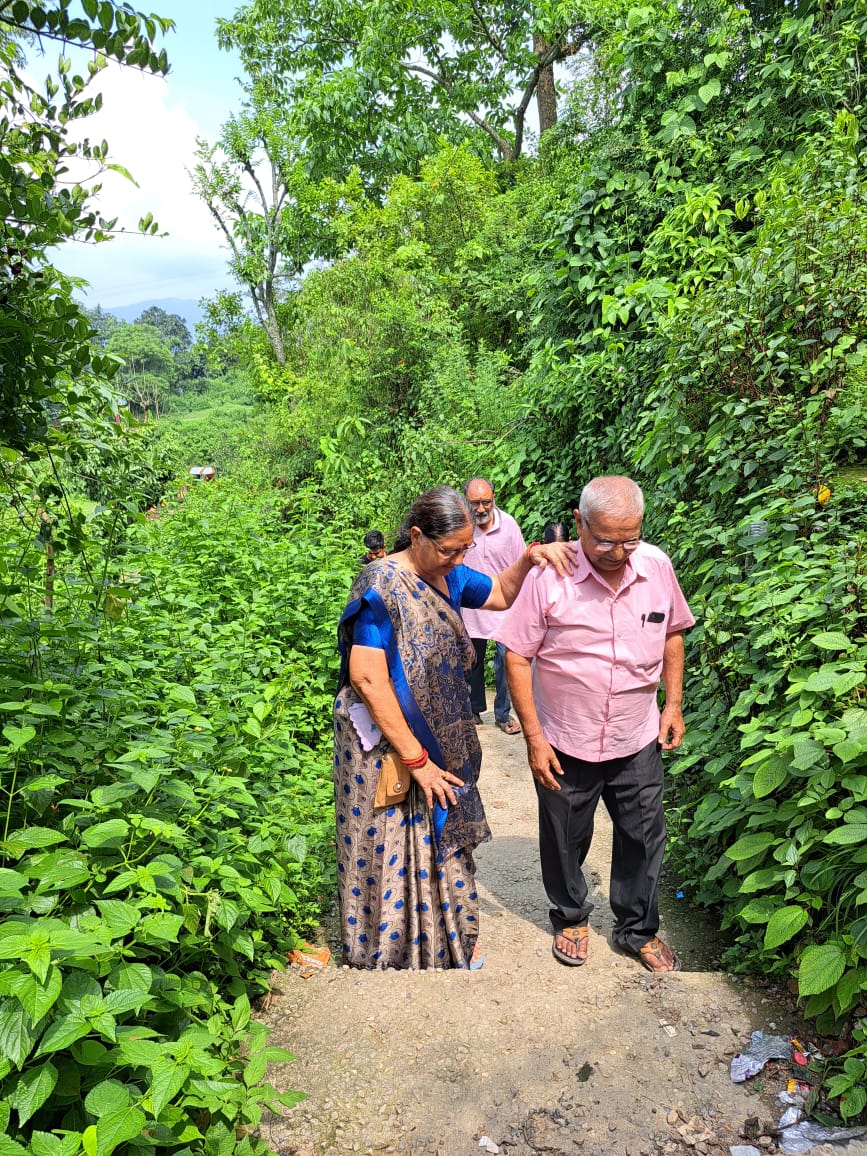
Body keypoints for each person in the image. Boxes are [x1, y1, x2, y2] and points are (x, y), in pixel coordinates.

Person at [334, 485, 574, 970]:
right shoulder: (380, 584)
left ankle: (446, 941)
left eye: (465, 549)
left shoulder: (452, 576)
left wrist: (531, 559)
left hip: (445, 737)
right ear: (417, 535)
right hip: (386, 744)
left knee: (443, 834)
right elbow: (366, 677)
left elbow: (503, 593)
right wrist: (416, 761)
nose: (459, 558)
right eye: (450, 550)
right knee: (390, 838)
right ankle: (391, 949)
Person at [500, 476, 695, 973]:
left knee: (645, 835)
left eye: (630, 538)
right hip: (566, 737)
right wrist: (534, 738)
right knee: (565, 835)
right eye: (605, 539)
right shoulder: (551, 576)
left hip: (636, 733)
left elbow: (672, 632)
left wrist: (672, 704)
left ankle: (637, 929)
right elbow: (517, 655)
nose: (618, 551)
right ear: (579, 522)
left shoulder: (655, 566)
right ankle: (570, 916)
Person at [461, 477, 526, 734]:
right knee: (471, 660)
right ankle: (474, 710)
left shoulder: (509, 526)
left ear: (494, 498)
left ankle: (503, 715)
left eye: (485, 502)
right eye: (474, 503)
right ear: (466, 501)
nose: (480, 508)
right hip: (470, 608)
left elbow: (520, 566)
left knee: (506, 661)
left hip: (503, 607)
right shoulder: (462, 525)